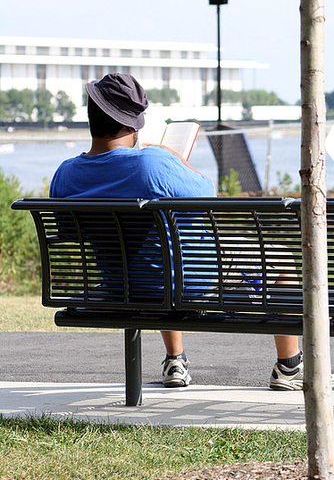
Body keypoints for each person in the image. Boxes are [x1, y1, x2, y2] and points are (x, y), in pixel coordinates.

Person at [50, 73, 303, 391]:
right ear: (133, 125)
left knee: (155, 258)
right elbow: (208, 196)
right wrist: (173, 159)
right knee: (278, 255)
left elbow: (67, 231)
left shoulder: (66, 174)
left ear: (91, 119)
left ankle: (175, 361)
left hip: (120, 287)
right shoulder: (152, 164)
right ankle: (289, 366)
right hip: (186, 286)